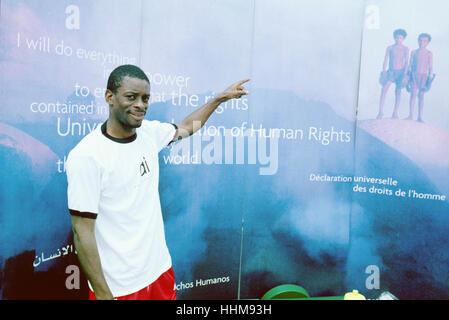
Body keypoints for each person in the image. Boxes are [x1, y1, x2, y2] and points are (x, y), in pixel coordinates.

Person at [66, 64, 249, 300]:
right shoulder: (87, 156)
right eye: (131, 97)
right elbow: (82, 233)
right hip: (120, 287)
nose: (140, 105)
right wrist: (103, 294)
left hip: (159, 271)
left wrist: (218, 100)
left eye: (145, 98)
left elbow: (186, 128)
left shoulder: (149, 134)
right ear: (109, 97)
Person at [377, 29, 409, 120]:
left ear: (403, 39)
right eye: (397, 38)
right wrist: (383, 71)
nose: (398, 39)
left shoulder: (405, 49)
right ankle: (380, 111)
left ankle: (395, 113)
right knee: (384, 90)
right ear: (394, 38)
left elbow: (406, 62)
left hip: (400, 72)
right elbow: (385, 60)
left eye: (400, 38)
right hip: (391, 71)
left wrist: (405, 74)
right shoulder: (390, 48)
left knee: (398, 92)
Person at [406, 33, 434, 122]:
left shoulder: (429, 53)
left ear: (428, 42)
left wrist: (430, 79)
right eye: (420, 40)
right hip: (414, 75)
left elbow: (431, 66)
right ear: (418, 41)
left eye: (425, 41)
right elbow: (410, 65)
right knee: (413, 95)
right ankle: (410, 115)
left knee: (421, 96)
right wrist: (408, 76)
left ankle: (420, 117)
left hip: (424, 76)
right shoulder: (414, 52)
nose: (422, 42)